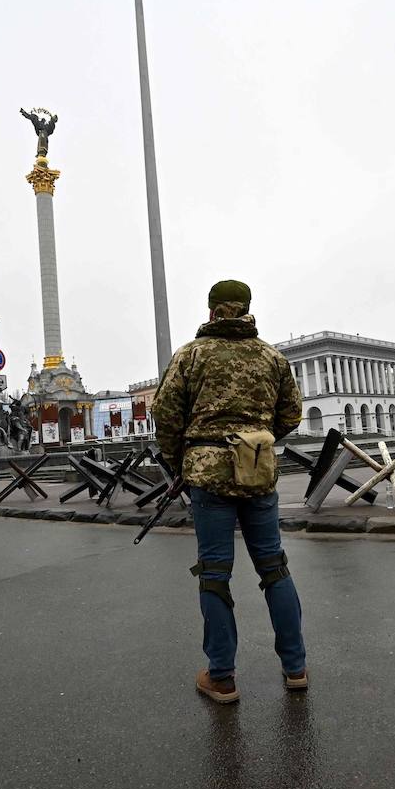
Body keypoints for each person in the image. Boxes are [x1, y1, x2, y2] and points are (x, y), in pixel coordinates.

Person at [153, 279, 306, 704]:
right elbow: (291, 414)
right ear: (247, 309)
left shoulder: (191, 355)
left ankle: (222, 677)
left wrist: (181, 458)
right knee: (274, 567)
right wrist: (256, 440)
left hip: (207, 478)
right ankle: (295, 668)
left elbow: (165, 416)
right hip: (257, 474)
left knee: (215, 573)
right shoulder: (271, 357)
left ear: (212, 311)